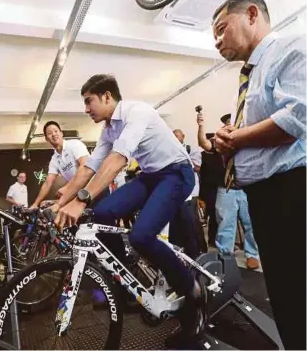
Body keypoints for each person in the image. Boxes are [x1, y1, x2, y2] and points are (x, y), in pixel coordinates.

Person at [51, 74, 205, 346]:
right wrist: (61, 203)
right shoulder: (109, 129)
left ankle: (191, 293)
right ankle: (125, 274)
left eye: (89, 102)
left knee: (141, 236)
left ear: (107, 96)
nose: (86, 109)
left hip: (176, 174)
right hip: (150, 175)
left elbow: (118, 159)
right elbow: (89, 167)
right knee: (102, 213)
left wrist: (81, 199)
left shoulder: (137, 112)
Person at [212, 0, 306, 349]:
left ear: (252, 14)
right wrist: (227, 138)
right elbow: (251, 130)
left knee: (297, 290)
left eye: (221, 30)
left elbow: (295, 118)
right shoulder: (249, 75)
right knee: (283, 292)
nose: (217, 42)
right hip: (264, 194)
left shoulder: (290, 48)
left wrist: (235, 139)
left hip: (291, 190)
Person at [198, 112, 260, 269]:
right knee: (226, 224)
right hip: (225, 189)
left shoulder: (248, 138)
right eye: (227, 125)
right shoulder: (219, 142)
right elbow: (204, 144)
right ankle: (226, 256)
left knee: (251, 223)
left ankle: (252, 254)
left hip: (247, 187)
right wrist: (200, 126)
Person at [30, 121, 90, 209]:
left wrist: (67, 187)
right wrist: (35, 204)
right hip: (79, 193)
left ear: (61, 133)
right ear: (47, 139)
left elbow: (85, 166)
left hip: (94, 186)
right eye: (50, 133)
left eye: (56, 131)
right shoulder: (54, 159)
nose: (54, 134)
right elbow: (47, 183)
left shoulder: (75, 144)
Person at [170, 129, 206, 258]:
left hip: (192, 192)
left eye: (177, 136)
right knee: (179, 222)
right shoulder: (169, 152)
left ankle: (200, 250)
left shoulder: (192, 150)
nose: (175, 139)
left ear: (183, 137)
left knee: (193, 222)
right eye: (173, 136)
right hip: (176, 193)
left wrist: (185, 161)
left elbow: (200, 168)